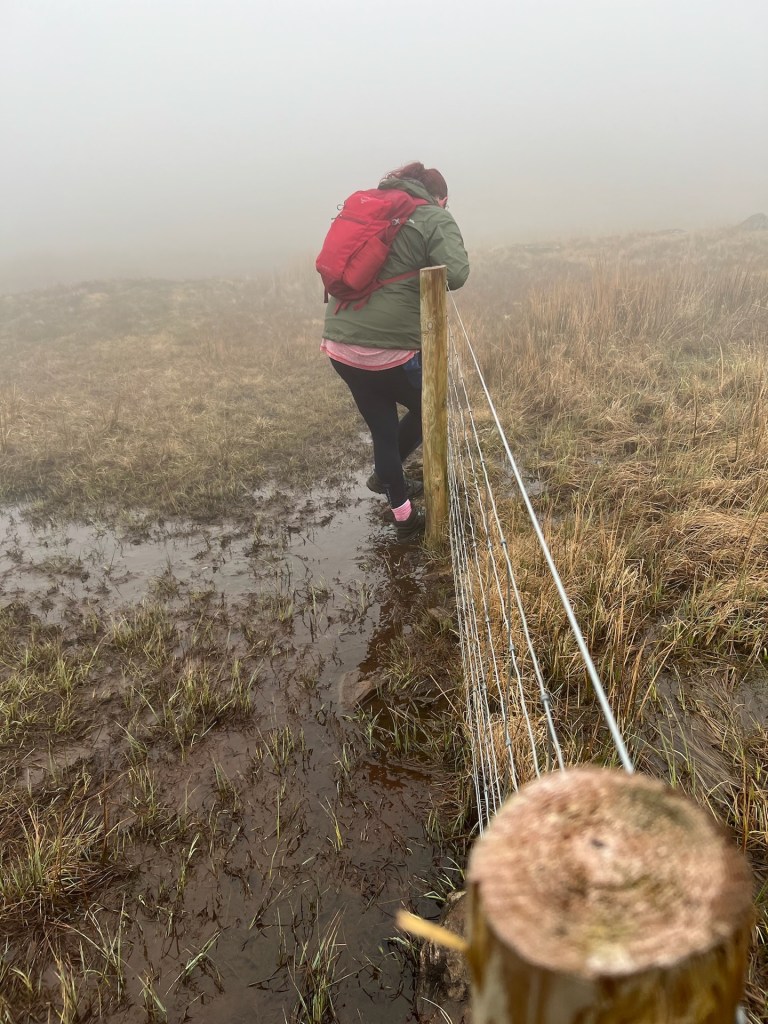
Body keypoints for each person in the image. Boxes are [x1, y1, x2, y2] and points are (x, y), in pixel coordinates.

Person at [320, 162, 470, 541]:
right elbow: (456, 274)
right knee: (429, 408)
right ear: (442, 198)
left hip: (340, 344)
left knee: (383, 431)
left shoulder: (369, 210)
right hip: (390, 351)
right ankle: (388, 477)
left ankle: (403, 515)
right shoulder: (434, 216)